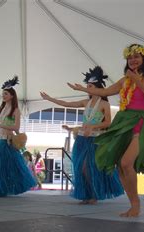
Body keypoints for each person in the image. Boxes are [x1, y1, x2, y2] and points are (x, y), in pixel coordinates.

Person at [68, 44, 144, 217]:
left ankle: (136, 205)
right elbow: (105, 91)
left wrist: (137, 81)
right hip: (124, 121)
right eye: (130, 57)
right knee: (120, 166)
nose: (133, 60)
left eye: (137, 57)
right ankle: (133, 204)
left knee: (126, 163)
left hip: (140, 122)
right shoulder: (124, 80)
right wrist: (83, 89)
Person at [40, 66, 123, 204]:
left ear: (97, 87)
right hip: (82, 139)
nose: (87, 88)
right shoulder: (86, 102)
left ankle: (94, 194)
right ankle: (86, 194)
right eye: (87, 86)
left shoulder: (104, 104)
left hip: (96, 140)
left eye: (90, 86)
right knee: (80, 168)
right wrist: (50, 99)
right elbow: (66, 104)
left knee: (88, 168)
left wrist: (93, 126)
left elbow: (108, 122)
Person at [0, 76, 36, 196]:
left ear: (12, 96)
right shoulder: (2, 109)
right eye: (3, 94)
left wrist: (1, 124)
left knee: (6, 167)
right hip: (0, 141)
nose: (3, 96)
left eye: (6, 94)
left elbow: (16, 128)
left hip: (8, 142)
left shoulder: (15, 110)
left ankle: (1, 189)